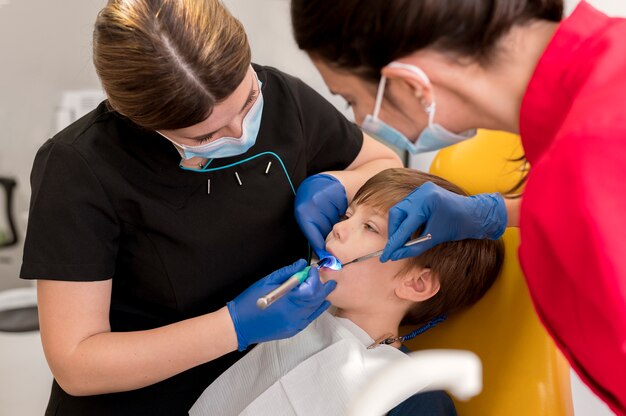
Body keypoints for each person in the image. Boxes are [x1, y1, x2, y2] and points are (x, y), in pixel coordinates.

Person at [19, 1, 402, 414]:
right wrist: (233, 327)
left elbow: (385, 163)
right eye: (207, 135)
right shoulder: (78, 166)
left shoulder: (284, 98)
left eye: (248, 101)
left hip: (265, 392)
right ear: (141, 120)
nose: (240, 131)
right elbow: (77, 365)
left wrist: (335, 184)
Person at [290, 0, 626, 412]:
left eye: (350, 100)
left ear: (410, 84)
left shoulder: (590, 161)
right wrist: (503, 212)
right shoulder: (606, 76)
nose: (361, 119)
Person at [190, 168, 503, 416]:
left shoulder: (415, 397)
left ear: (416, 284)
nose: (338, 228)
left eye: (370, 227)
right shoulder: (285, 318)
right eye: (347, 216)